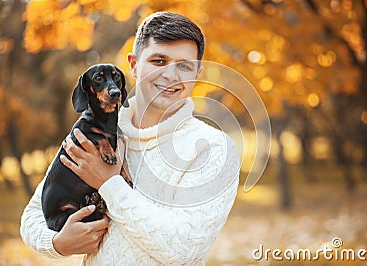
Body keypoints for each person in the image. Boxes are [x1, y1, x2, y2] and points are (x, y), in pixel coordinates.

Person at [20, 11, 240, 265]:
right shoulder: (92, 133)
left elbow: (184, 252)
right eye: (158, 61)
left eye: (184, 66)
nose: (170, 75)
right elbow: (34, 214)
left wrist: (109, 182)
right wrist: (56, 243)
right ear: (134, 65)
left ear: (197, 73)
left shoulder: (214, 148)